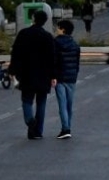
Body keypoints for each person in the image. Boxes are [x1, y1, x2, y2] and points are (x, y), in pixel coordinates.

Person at [9, 10, 57, 139]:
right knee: (41, 103)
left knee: (27, 100)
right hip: (44, 75)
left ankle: (30, 120)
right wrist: (53, 76)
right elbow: (52, 58)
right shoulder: (48, 37)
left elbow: (16, 54)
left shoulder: (23, 34)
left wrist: (12, 71)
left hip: (27, 74)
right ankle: (38, 131)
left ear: (34, 18)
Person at [53, 20, 80, 139]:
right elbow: (77, 63)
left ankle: (65, 128)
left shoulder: (55, 43)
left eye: (58, 28)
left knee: (62, 104)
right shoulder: (75, 44)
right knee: (69, 105)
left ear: (62, 29)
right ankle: (68, 126)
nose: (56, 29)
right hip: (71, 77)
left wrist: (52, 76)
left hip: (59, 77)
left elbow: (53, 61)